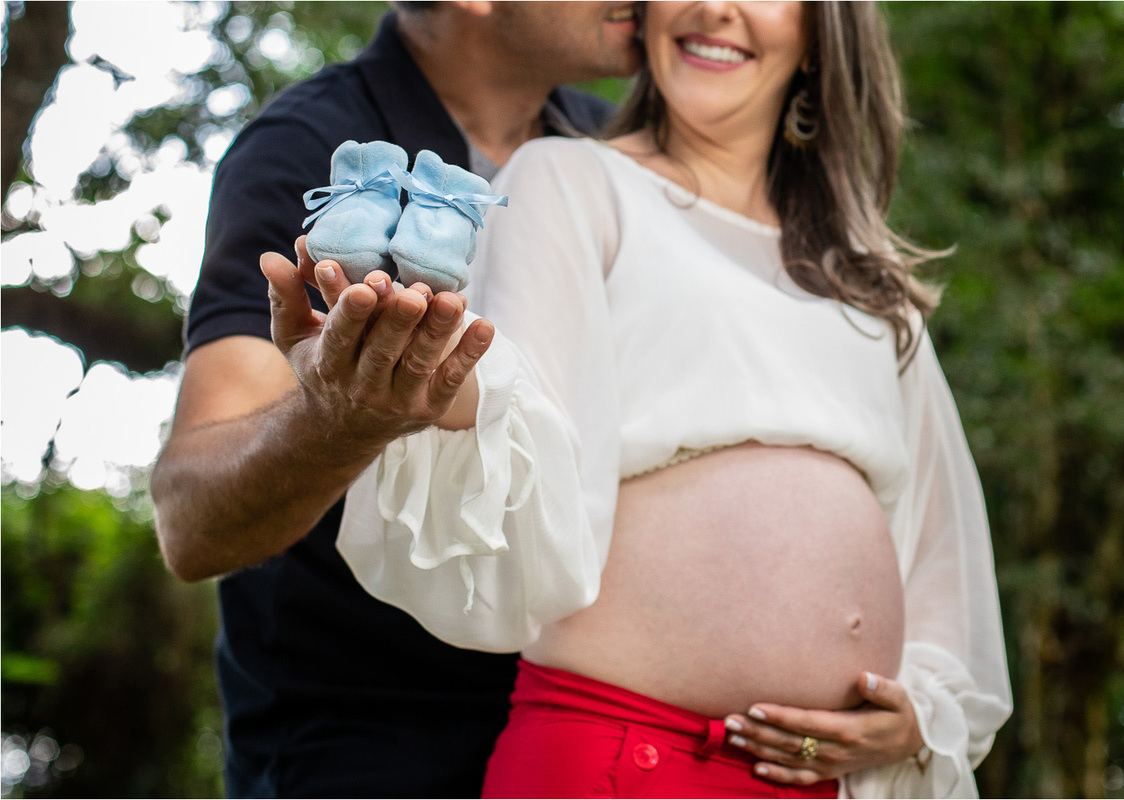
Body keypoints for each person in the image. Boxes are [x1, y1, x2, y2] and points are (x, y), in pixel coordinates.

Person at [309, 1, 1012, 798]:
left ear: (821, 32)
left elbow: (942, 547)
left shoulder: (866, 278)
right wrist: (416, 371)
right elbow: (516, 403)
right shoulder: (571, 180)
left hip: (836, 784)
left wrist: (919, 717)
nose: (715, 7)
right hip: (618, 759)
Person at [150, 4, 640, 797]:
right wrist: (339, 423)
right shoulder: (304, 145)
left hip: (588, 729)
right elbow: (190, 521)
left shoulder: (615, 143)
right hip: (362, 747)